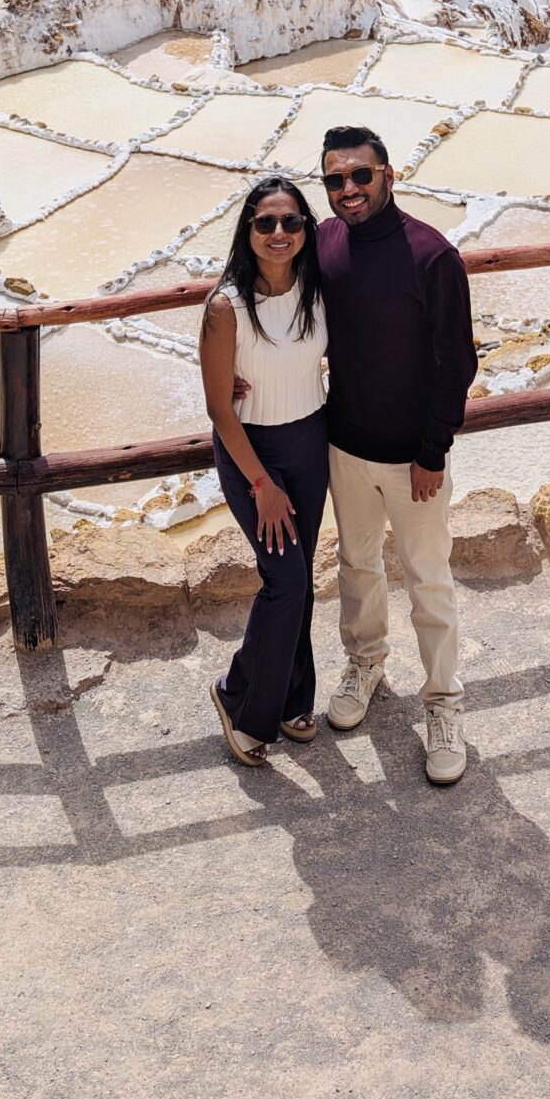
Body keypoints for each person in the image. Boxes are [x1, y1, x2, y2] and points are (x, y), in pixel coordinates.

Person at [317, 125, 479, 787]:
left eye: (360, 175)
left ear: (389, 175)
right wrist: (236, 371)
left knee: (428, 581)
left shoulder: (432, 256)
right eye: (335, 180)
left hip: (413, 458)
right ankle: (366, 663)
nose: (348, 190)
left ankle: (443, 703)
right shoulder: (322, 244)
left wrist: (432, 452)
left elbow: (456, 364)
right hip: (343, 446)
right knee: (357, 568)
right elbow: (277, 309)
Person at [199, 174, 329, 768]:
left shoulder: (317, 284)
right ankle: (240, 698)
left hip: (311, 441)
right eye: (266, 223)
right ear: (247, 230)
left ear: (307, 229)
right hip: (254, 454)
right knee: (287, 581)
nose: (280, 233)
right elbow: (220, 407)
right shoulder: (226, 307)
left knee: (299, 577)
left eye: (292, 222)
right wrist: (262, 485)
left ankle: (292, 697)